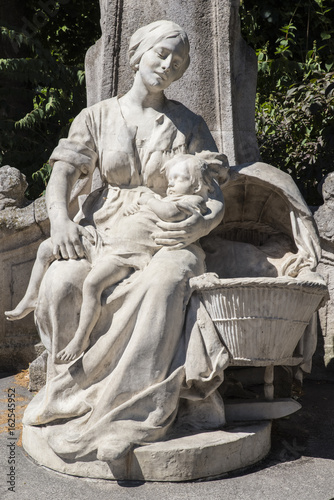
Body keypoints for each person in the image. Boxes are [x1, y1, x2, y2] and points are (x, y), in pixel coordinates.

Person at [22, 20, 230, 463]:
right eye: (160, 53)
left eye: (177, 61)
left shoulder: (190, 124)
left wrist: (199, 228)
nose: (167, 64)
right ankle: (69, 395)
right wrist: (60, 221)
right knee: (61, 281)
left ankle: (135, 413)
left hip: (167, 237)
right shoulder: (96, 116)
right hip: (102, 234)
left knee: (167, 283)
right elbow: (62, 176)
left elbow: (215, 197)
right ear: (137, 55)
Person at [6, 153, 223, 364]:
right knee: (46, 248)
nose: (172, 184)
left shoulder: (192, 201)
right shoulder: (166, 198)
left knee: (92, 284)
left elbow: (170, 213)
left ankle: (81, 338)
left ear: (197, 186)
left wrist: (147, 200)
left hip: (125, 255)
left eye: (180, 179)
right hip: (106, 238)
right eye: (171, 179)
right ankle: (32, 296)